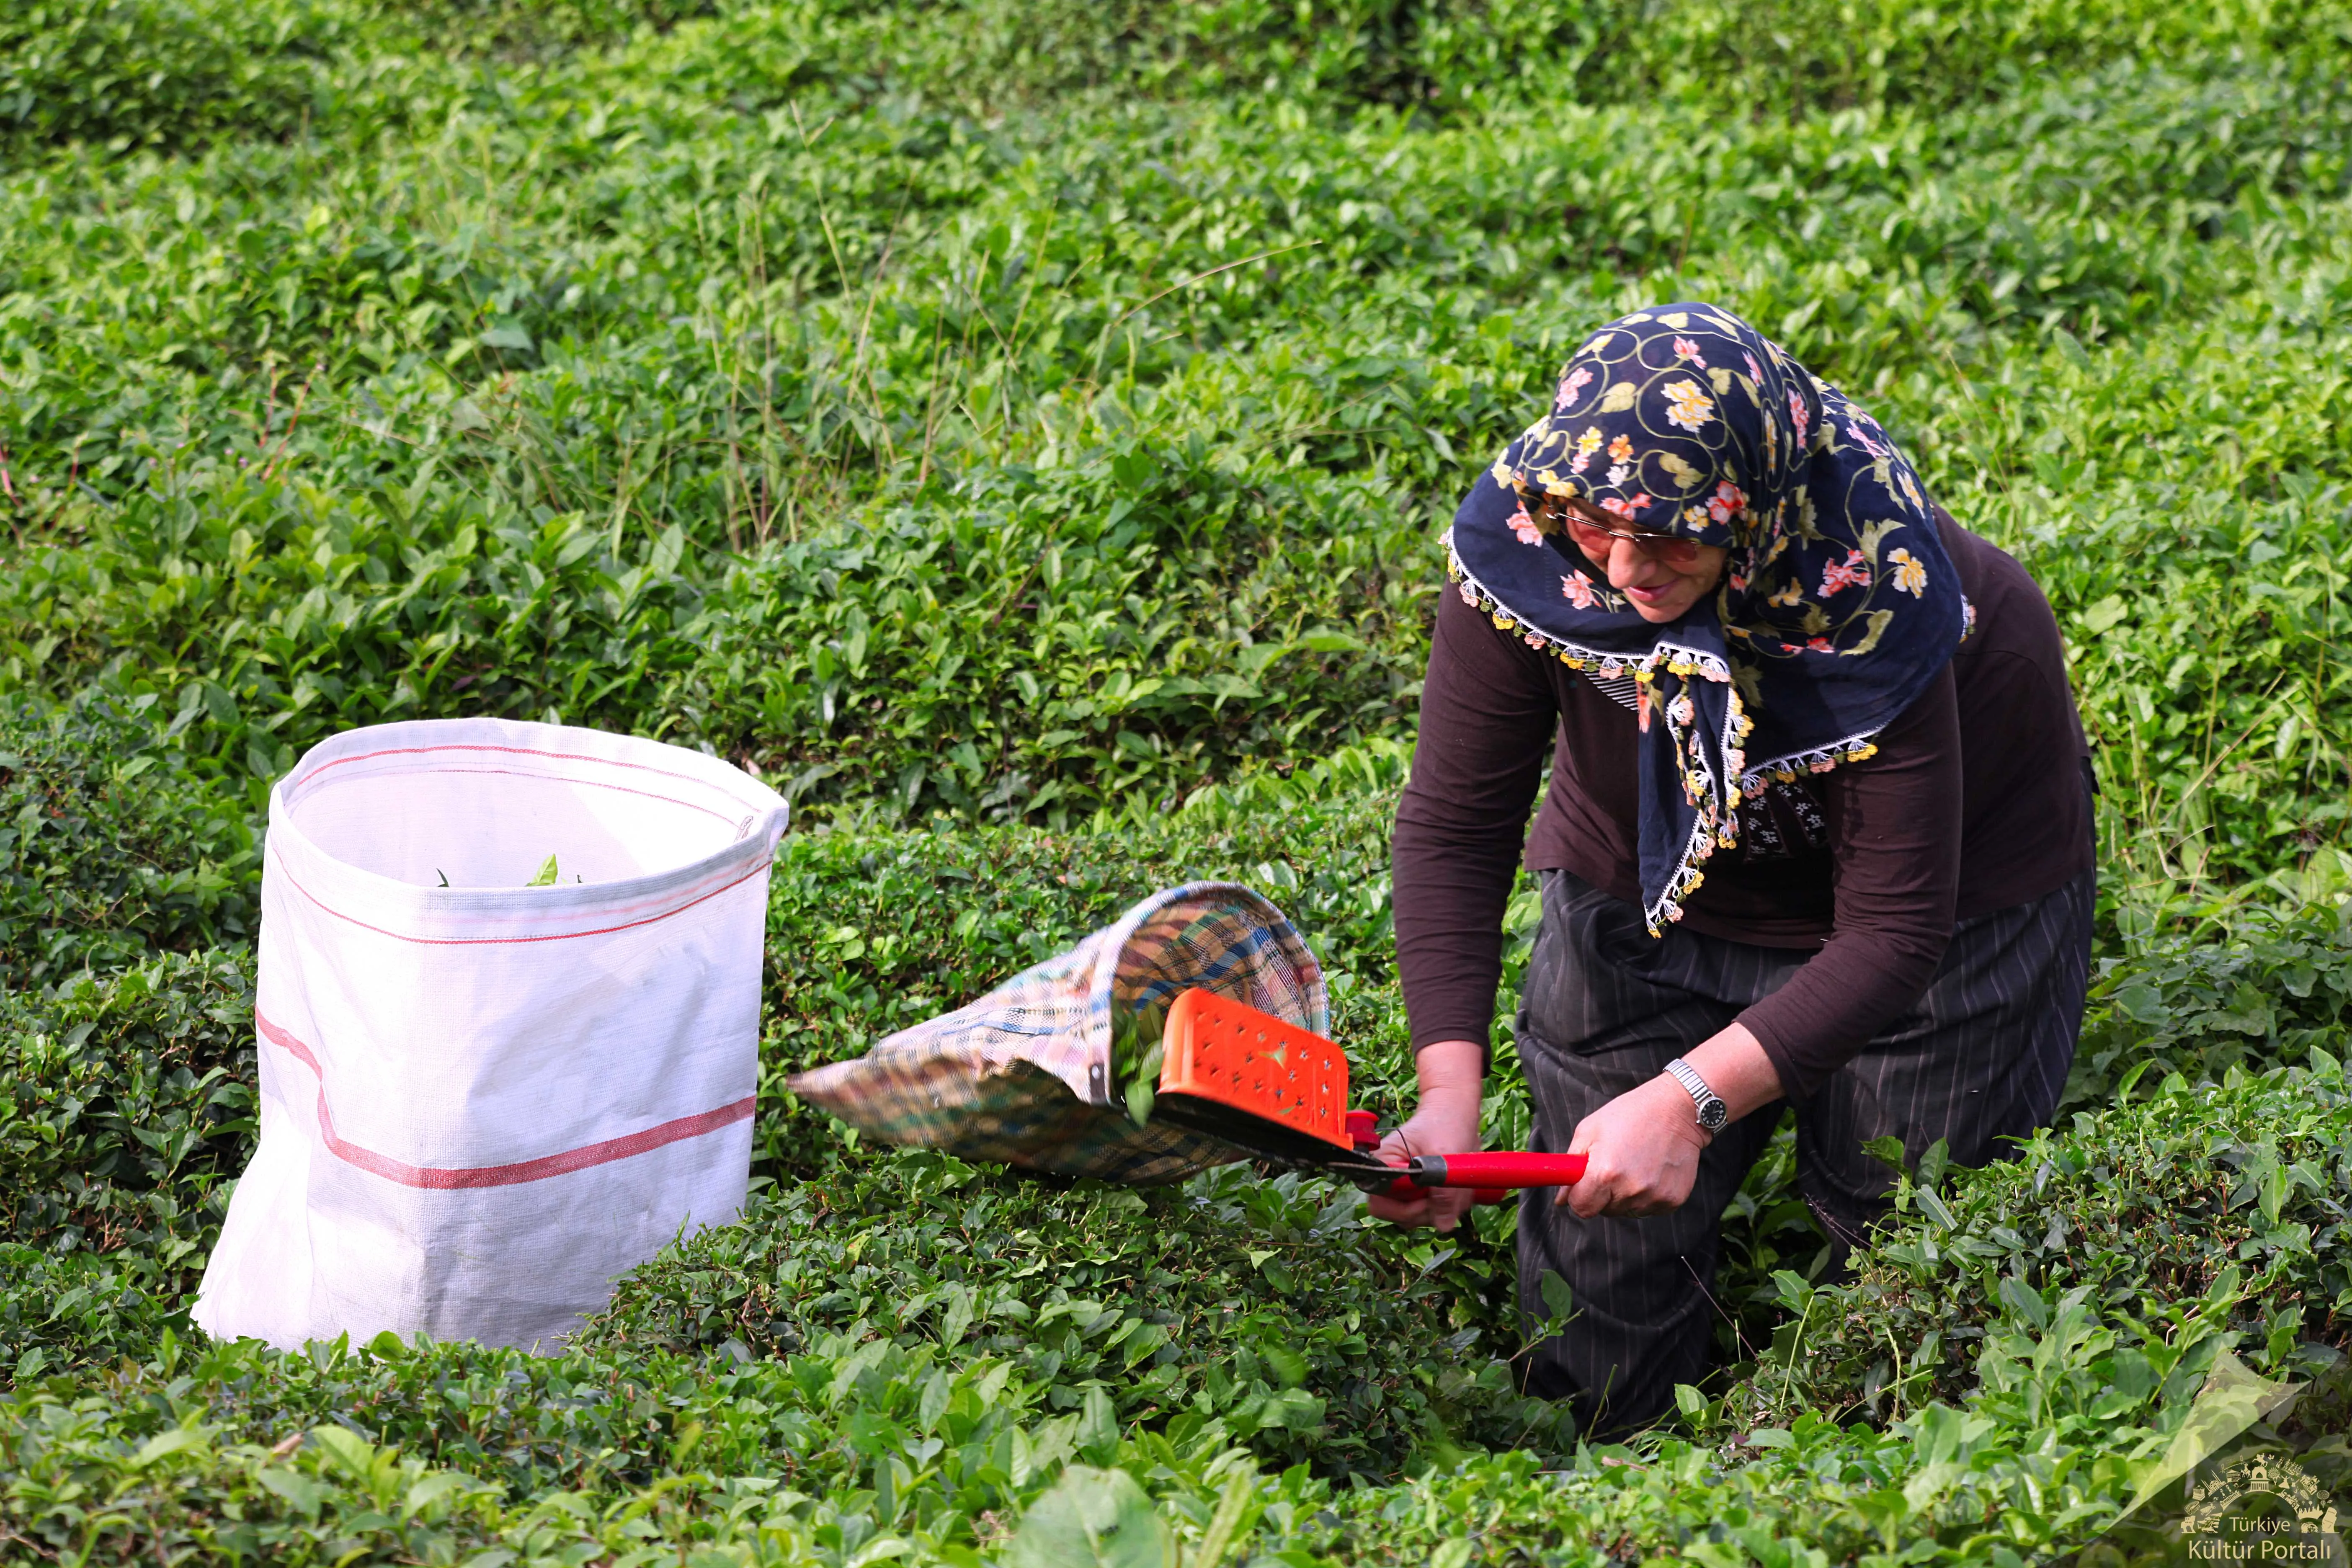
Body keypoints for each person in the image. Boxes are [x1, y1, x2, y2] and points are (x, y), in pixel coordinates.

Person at [1369, 303, 2094, 1439]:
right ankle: (1606, 1489)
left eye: (1671, 536)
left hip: (1950, 914)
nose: (1625, 567)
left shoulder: (1881, 595)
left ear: (1752, 512)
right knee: (1599, 1262)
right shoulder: (1528, 549)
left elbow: (1893, 932)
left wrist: (1690, 1101)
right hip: (1644, 889)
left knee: (1911, 1253)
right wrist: (1448, 1099)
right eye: (1597, 524)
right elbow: (1458, 825)